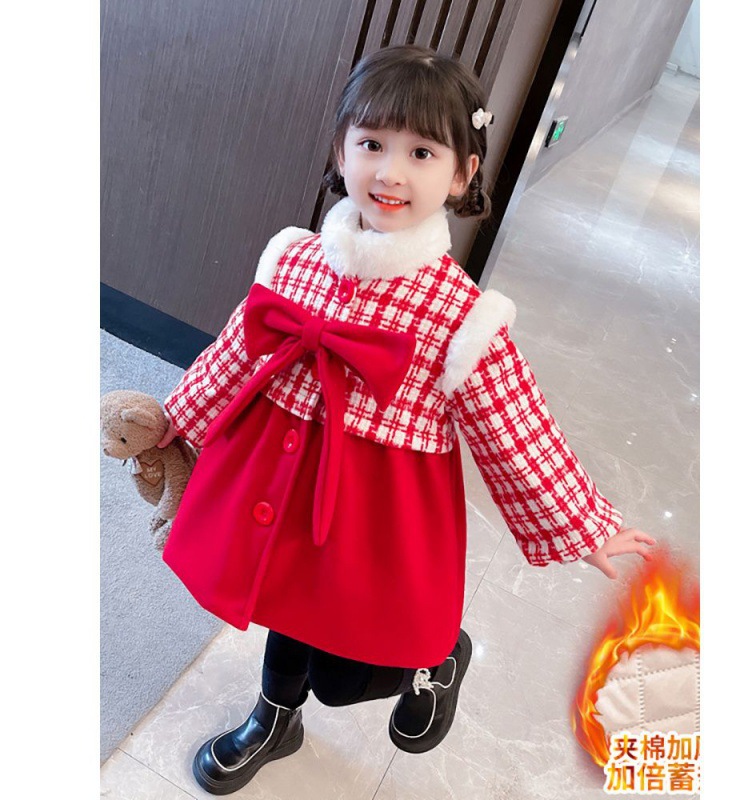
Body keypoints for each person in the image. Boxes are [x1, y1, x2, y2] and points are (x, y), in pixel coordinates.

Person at [156, 44, 655, 795]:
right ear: (341, 150)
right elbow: (237, 351)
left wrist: (582, 522)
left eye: (421, 152)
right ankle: (273, 718)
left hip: (376, 510)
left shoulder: (463, 315)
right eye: (372, 144)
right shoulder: (291, 257)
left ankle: (438, 660)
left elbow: (514, 426)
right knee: (283, 609)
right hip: (282, 476)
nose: (390, 171)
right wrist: (173, 419)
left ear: (461, 174)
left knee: (345, 667)